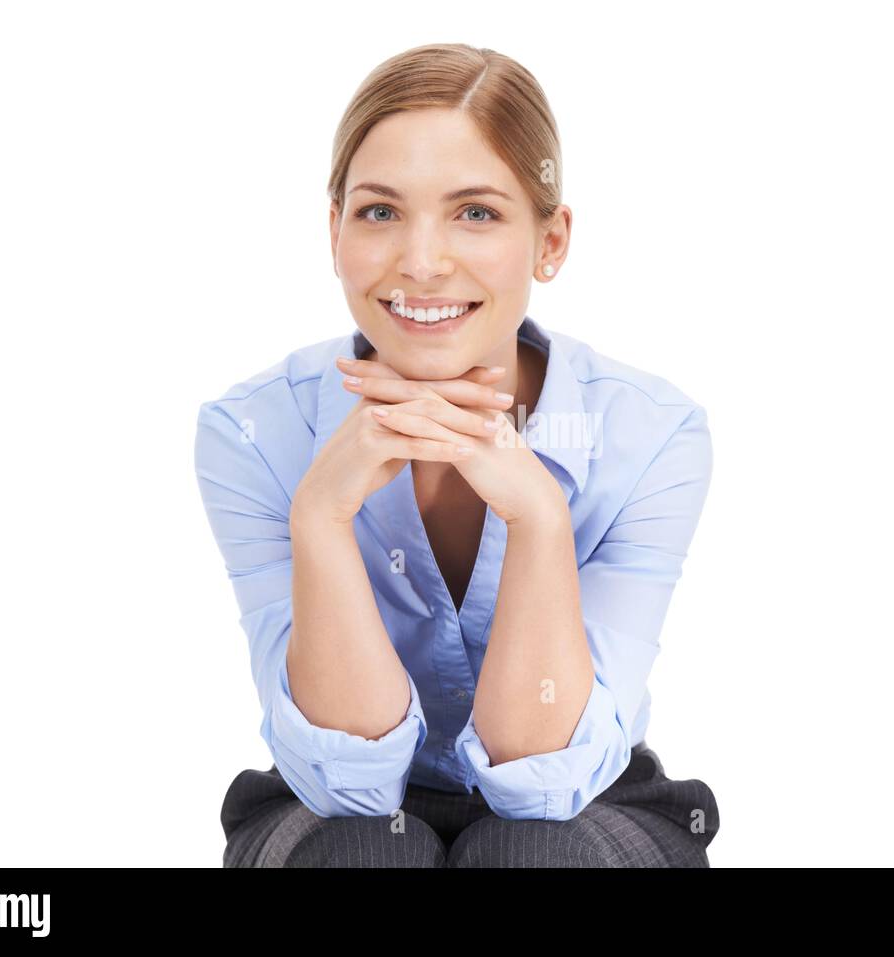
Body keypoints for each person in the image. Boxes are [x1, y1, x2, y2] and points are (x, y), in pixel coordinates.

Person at [194, 42, 719, 867]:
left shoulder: (650, 435)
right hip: (322, 797)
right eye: (379, 212)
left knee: (531, 852)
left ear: (550, 242)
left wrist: (539, 516)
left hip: (587, 788)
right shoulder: (253, 431)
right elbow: (348, 784)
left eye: (476, 212)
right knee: (366, 850)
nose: (423, 261)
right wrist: (322, 518)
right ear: (334, 233)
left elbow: (544, 787)